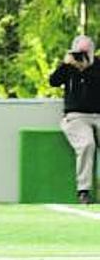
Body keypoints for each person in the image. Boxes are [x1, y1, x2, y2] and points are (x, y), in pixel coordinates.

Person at [49, 35, 100, 204]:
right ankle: (83, 190)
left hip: (98, 115)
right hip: (76, 116)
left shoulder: (98, 66)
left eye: (86, 52)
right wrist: (66, 64)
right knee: (87, 144)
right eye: (80, 52)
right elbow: (53, 81)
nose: (83, 56)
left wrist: (87, 68)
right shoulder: (68, 68)